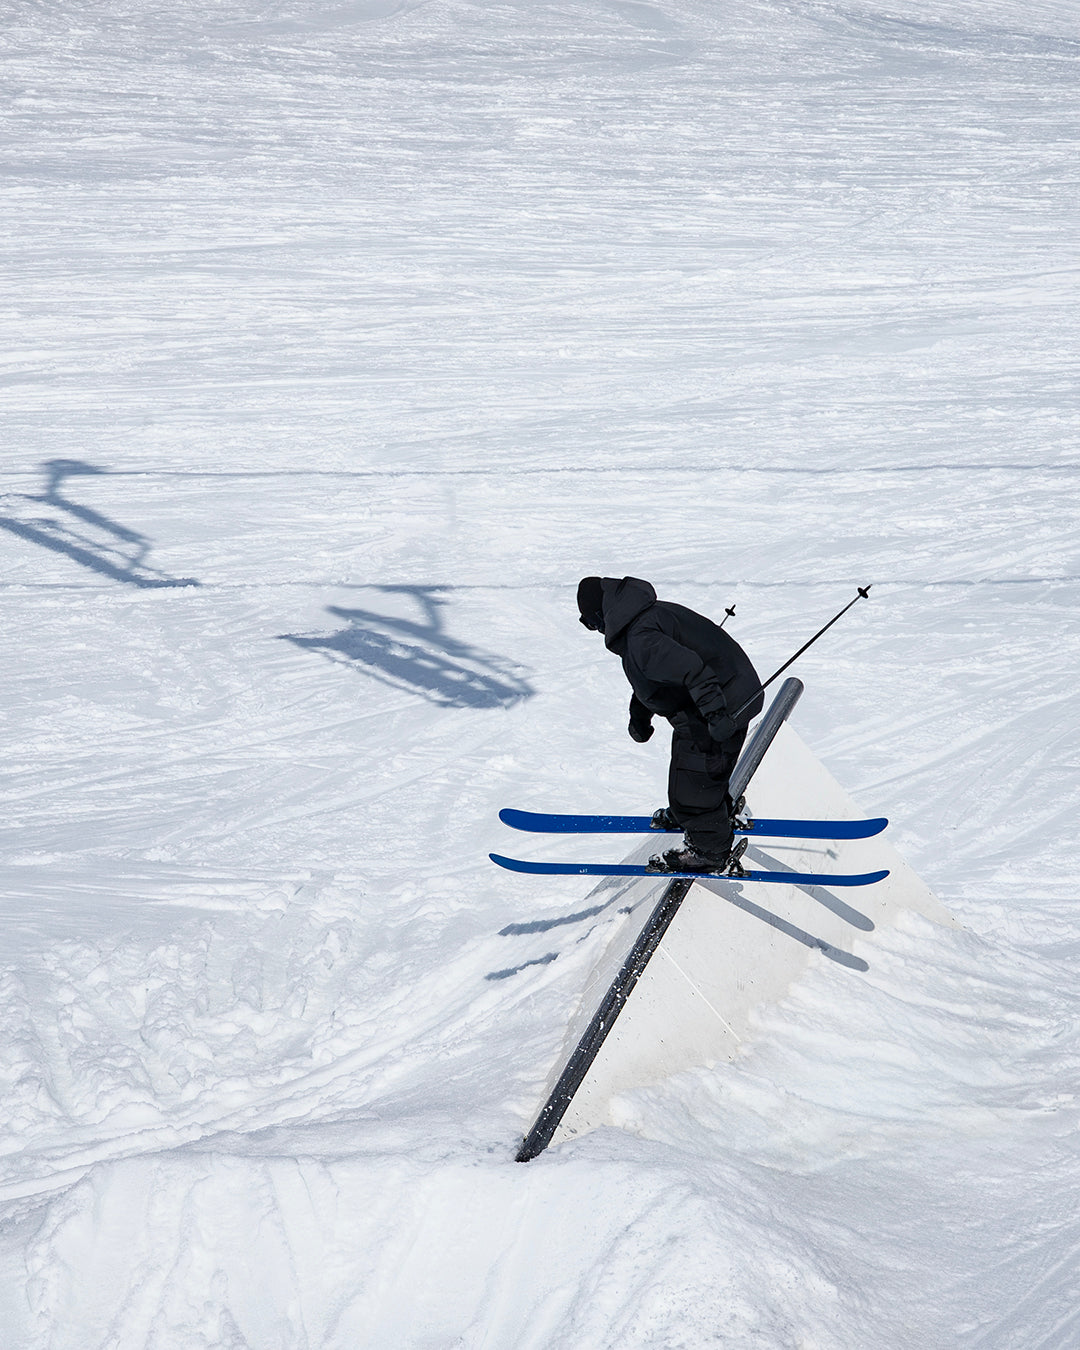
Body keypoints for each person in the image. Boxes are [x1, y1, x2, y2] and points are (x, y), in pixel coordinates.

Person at [577, 575, 763, 873]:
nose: (594, 630)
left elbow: (693, 671)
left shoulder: (641, 638)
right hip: (720, 696)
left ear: (601, 616)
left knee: (693, 784)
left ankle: (710, 850)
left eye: (589, 623)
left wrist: (716, 715)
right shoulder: (645, 618)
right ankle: (699, 814)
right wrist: (640, 714)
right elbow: (659, 675)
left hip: (723, 702)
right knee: (688, 771)